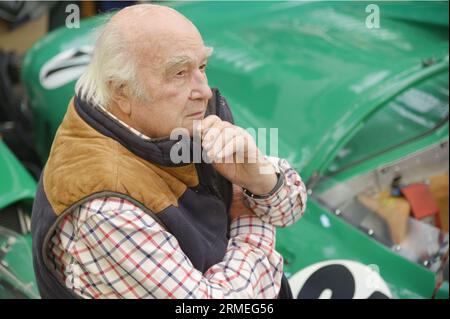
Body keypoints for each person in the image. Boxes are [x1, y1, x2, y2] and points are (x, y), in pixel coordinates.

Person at [31, 4, 307, 299]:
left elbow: (290, 208)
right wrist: (248, 216)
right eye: (179, 72)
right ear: (121, 91)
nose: (203, 90)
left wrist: (262, 182)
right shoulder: (106, 210)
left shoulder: (175, 119)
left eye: (201, 66)